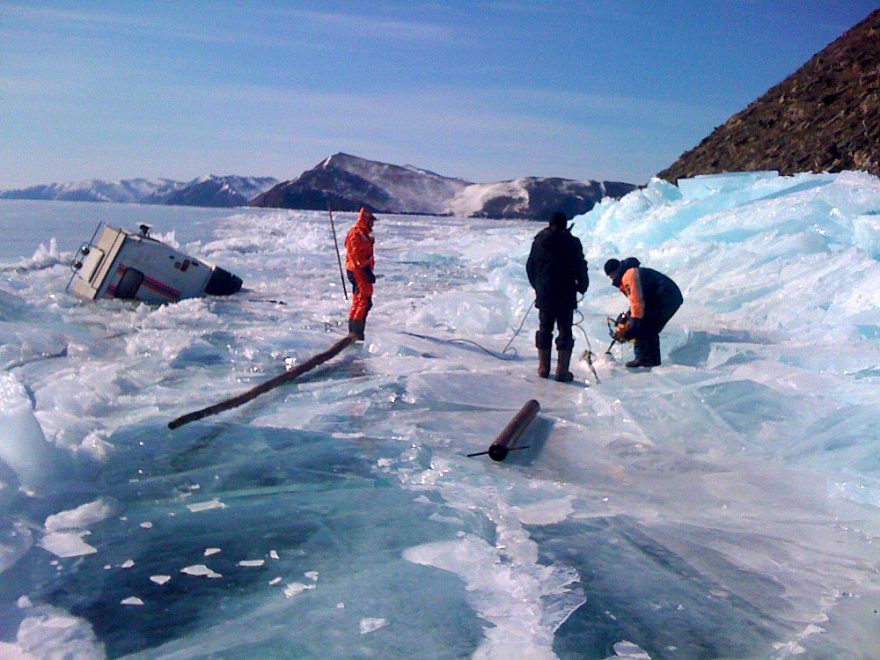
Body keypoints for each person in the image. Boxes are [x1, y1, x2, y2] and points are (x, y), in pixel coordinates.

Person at [526, 211, 589, 382]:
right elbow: (580, 266)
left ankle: (543, 368)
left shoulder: (538, 240)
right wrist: (583, 286)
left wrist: (538, 287)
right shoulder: (572, 242)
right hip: (566, 294)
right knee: (565, 330)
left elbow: (530, 266)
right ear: (565, 224)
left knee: (545, 329)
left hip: (545, 293)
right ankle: (562, 371)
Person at [604, 257, 683, 368]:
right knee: (647, 326)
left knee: (643, 324)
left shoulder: (629, 275)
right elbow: (636, 300)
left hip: (665, 297)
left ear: (613, 272)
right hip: (668, 297)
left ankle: (644, 359)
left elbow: (637, 303)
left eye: (610, 276)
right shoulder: (630, 273)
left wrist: (631, 328)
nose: (611, 279)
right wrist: (627, 317)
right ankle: (651, 360)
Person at [345, 207, 377, 341]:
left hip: (360, 270)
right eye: (371, 221)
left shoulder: (363, 234)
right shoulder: (356, 234)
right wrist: (366, 271)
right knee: (364, 300)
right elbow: (356, 256)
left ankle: (354, 330)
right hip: (358, 270)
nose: (373, 224)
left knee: (359, 300)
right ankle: (357, 332)